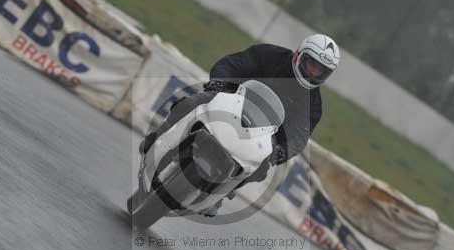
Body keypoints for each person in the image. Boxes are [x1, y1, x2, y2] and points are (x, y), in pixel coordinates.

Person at [141, 34, 340, 215]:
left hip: (262, 133)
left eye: (320, 70)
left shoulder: (313, 104)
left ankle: (218, 195)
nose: (313, 72)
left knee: (261, 169)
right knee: (193, 102)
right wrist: (219, 81)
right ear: (299, 55)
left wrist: (281, 151)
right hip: (231, 100)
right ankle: (159, 135)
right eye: (310, 64)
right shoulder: (270, 55)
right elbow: (234, 64)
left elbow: (299, 136)